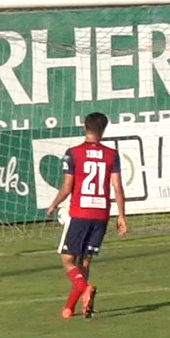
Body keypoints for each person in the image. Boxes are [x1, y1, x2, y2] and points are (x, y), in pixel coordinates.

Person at [44, 111, 128, 320]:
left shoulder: (74, 153)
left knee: (68, 260)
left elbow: (67, 187)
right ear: (104, 130)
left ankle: (84, 288)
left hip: (80, 213)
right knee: (85, 262)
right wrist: (121, 216)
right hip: (101, 215)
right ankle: (70, 307)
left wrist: (54, 204)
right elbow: (117, 188)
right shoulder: (112, 154)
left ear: (84, 127)